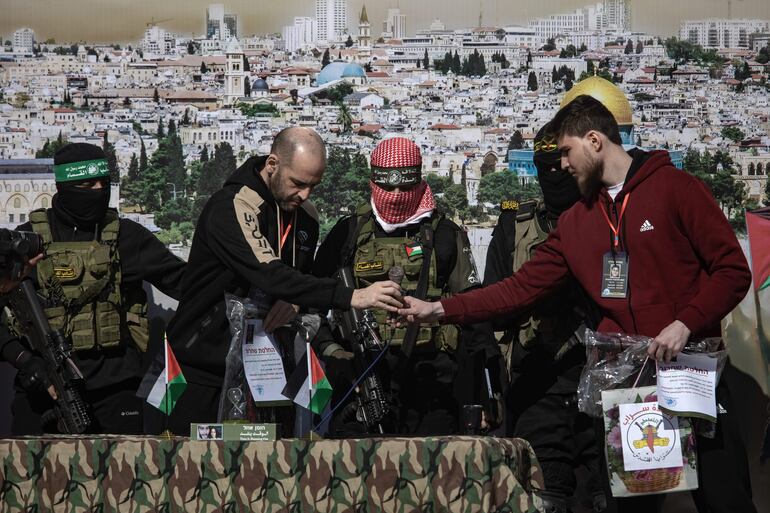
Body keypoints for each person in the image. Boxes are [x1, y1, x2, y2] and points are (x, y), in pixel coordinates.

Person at [399, 95, 757, 513]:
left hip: (690, 378)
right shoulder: (577, 221)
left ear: (594, 141)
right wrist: (440, 309)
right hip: (630, 389)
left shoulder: (677, 189)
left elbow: (733, 271)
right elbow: (518, 289)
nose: (563, 165)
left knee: (722, 496)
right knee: (635, 504)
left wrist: (684, 324)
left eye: (567, 152)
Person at [166, 127, 402, 433]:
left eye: (313, 186)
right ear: (272, 165)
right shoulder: (233, 205)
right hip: (203, 367)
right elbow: (269, 272)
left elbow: (298, 279)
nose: (304, 194)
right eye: (298, 183)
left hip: (269, 368)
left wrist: (295, 301)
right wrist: (351, 297)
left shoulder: (306, 216)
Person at [312, 136, 503, 436]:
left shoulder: (444, 235)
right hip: (360, 380)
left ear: (419, 182)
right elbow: (313, 299)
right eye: (388, 187)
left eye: (405, 187)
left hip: (433, 383)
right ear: (374, 182)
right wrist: (336, 354)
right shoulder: (348, 234)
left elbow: (473, 312)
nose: (397, 195)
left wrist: (484, 395)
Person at [0, 143, 186, 435]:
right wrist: (27, 362)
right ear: (64, 186)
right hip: (42, 388)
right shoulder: (27, 243)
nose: (99, 191)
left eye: (103, 183)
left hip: (116, 389)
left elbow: (187, 284)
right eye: (87, 184)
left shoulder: (127, 237)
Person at [484, 121, 605, 513]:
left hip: (604, 381)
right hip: (537, 382)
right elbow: (495, 303)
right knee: (542, 496)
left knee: (603, 495)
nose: (555, 174)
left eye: (561, 163)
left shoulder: (610, 220)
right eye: (544, 166)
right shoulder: (514, 226)